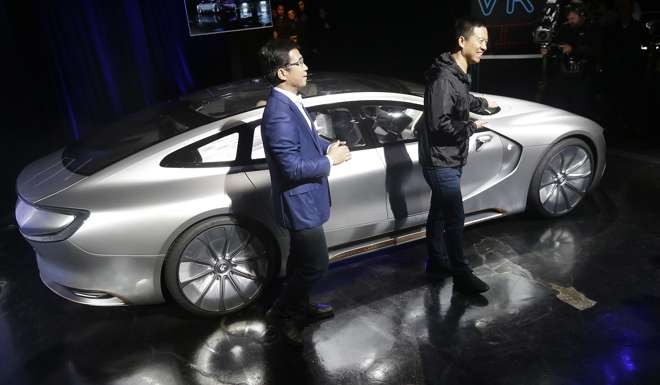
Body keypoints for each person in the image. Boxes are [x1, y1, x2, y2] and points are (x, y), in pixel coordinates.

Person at [257, 39, 351, 347]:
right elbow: (290, 167)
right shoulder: (279, 112)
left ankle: (301, 306)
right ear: (283, 72)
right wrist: (328, 161)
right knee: (315, 264)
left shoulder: (291, 101)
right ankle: (282, 314)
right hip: (299, 203)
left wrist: (326, 146)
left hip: (305, 200)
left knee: (299, 262)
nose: (306, 66)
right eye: (299, 62)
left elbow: (304, 142)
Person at [419, 18, 497, 294]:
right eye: (480, 41)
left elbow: (461, 97)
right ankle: (461, 274)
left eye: (487, 42)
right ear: (462, 41)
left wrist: (483, 104)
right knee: (455, 216)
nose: (484, 47)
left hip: (450, 156)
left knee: (439, 213)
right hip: (440, 160)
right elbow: (439, 125)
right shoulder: (443, 78)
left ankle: (437, 264)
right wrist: (472, 126)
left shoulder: (457, 73)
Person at [540, 4, 601, 118]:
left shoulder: (593, 28)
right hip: (565, 75)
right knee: (563, 107)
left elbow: (596, 51)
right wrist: (549, 50)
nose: (570, 21)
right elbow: (557, 45)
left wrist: (574, 49)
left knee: (581, 108)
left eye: (573, 18)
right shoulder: (565, 28)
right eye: (568, 19)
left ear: (582, 16)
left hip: (584, 76)